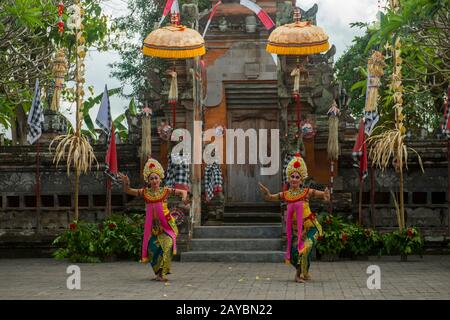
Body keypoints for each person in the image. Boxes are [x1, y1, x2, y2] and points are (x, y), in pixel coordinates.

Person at [259, 153, 330, 283]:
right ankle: (305, 272)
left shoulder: (306, 192)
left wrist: (325, 195)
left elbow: (320, 195)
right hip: (296, 231)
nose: (294, 179)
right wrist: (267, 194)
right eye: (292, 176)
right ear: (289, 178)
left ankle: (299, 275)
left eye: (297, 177)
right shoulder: (285, 195)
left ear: (301, 180)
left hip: (310, 228)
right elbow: (271, 198)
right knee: (292, 254)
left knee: (305, 249)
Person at [118, 157, 189, 282]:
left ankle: (163, 274)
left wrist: (184, 199)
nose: (154, 180)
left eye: (156, 178)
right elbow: (128, 190)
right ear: (148, 181)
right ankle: (158, 274)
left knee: (167, 246)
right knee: (152, 248)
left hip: (167, 225)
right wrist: (126, 182)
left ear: (160, 179)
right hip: (153, 227)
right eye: (152, 178)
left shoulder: (166, 191)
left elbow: (183, 192)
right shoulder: (145, 192)